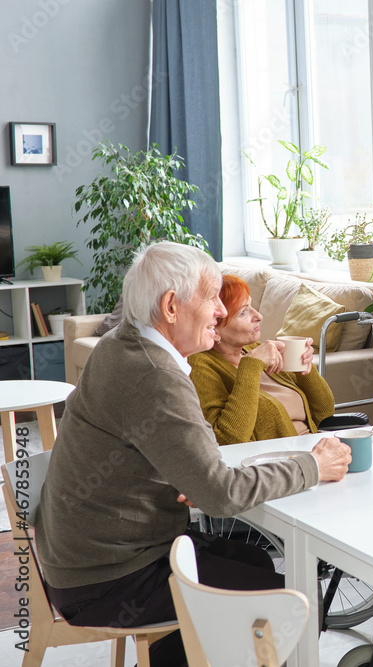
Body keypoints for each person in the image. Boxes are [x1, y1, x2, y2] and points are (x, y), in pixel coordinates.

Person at [34, 242, 353, 666]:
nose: (221, 312)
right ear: (171, 306)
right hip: (109, 579)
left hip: (80, 561)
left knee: (255, 559)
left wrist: (192, 476)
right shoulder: (155, 374)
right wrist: (314, 465)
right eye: (212, 299)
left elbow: (192, 463)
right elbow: (219, 494)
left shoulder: (119, 344)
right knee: (291, 600)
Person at [190, 274, 336, 444]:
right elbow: (228, 439)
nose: (258, 315)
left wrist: (303, 368)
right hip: (281, 462)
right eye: (243, 312)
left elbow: (325, 413)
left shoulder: (253, 349)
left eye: (252, 306)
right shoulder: (199, 366)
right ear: (213, 327)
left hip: (314, 446)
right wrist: (251, 366)